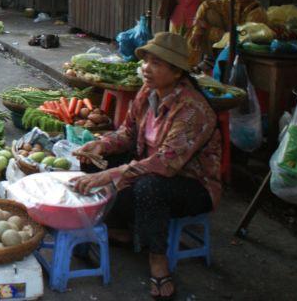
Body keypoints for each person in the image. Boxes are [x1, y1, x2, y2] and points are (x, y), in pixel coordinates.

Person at [72, 32, 220, 301]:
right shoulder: (147, 92)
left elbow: (166, 163)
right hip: (147, 167)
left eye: (156, 63)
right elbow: (127, 134)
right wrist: (100, 145)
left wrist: (114, 173)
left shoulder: (192, 109)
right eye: (146, 62)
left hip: (190, 183)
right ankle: (122, 228)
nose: (146, 69)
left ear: (176, 73)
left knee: (149, 187)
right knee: (93, 161)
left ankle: (158, 264)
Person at [187, 0, 268, 64]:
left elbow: (239, 40)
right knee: (209, 13)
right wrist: (197, 31)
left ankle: (211, 61)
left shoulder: (257, 13)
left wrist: (209, 29)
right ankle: (208, 59)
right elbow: (205, 5)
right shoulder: (230, 3)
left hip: (244, 53)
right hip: (226, 42)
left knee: (207, 26)